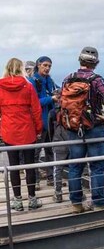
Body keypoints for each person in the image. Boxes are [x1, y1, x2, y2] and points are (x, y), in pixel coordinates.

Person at [61, 46, 104, 212]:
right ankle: (99, 203)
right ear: (96, 63)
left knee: (75, 166)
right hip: (94, 128)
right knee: (97, 166)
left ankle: (76, 204)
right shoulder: (96, 80)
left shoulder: (68, 79)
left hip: (72, 127)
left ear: (80, 60)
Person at [0, 58, 43, 211]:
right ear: (21, 69)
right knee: (29, 166)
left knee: (13, 166)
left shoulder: (0, 87)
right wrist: (38, 130)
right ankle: (32, 199)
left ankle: (17, 201)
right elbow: (37, 110)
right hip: (27, 131)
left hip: (9, 132)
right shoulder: (28, 86)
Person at [29, 56, 61, 200]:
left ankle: (50, 178)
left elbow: (56, 91)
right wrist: (51, 99)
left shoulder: (50, 81)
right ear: (38, 65)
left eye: (49, 66)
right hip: (38, 123)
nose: (47, 68)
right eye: (45, 65)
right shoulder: (32, 81)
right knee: (36, 152)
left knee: (50, 150)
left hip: (50, 121)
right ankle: (35, 180)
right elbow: (34, 102)